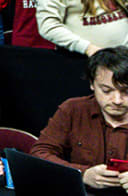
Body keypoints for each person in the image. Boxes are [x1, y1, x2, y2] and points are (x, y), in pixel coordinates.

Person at [31, 47, 128, 192]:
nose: (117, 100)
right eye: (106, 91)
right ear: (92, 84)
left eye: (126, 91)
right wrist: (82, 174)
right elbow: (40, 153)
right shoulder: (73, 109)